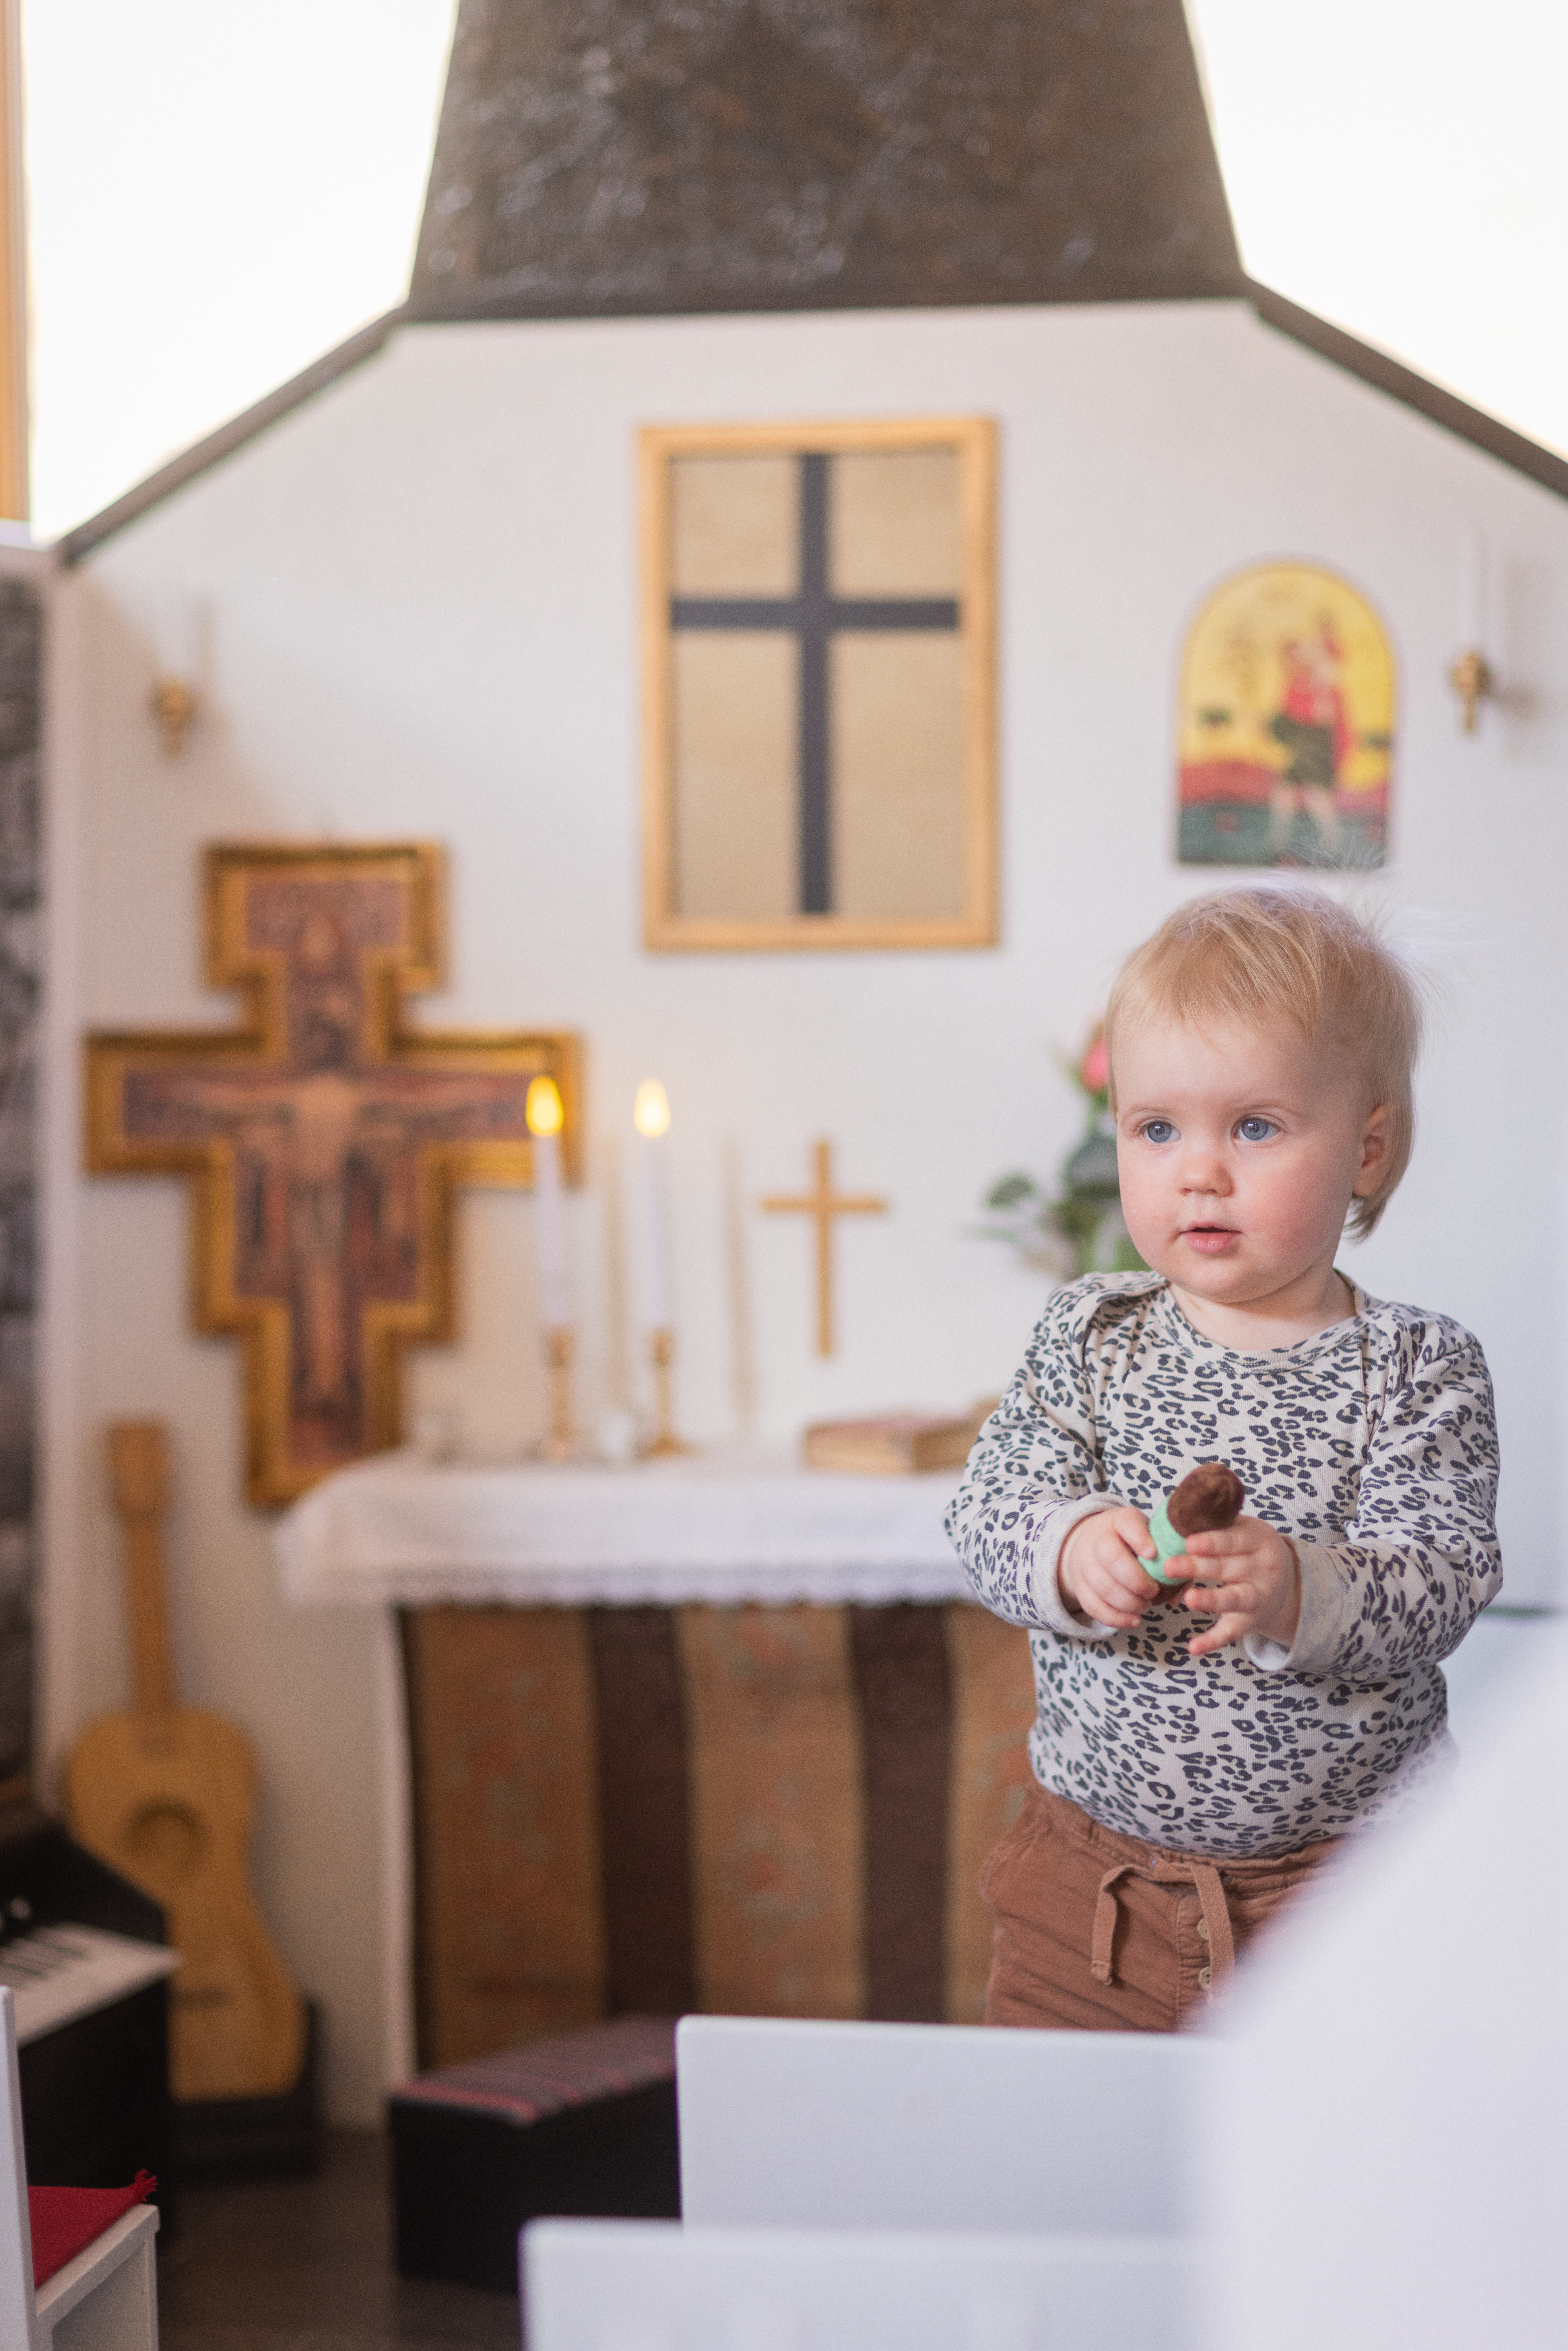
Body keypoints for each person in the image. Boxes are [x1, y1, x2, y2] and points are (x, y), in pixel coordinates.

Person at [945, 884, 1500, 2030]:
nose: (1199, 1168)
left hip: (1347, 1890)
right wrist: (1066, 1545)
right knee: (1065, 2164)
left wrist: (1301, 1583)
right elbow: (985, 1506)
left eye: (1253, 1125)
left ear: (1366, 1147)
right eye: (1157, 1127)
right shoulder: (1088, 1334)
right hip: (1091, 1888)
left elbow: (1441, 1576)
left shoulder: (1414, 1365)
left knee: (1331, 2177)